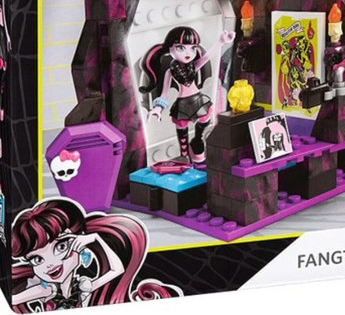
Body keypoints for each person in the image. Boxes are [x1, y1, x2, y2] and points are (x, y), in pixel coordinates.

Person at [12, 198, 181, 311]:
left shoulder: (84, 285)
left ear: (78, 242)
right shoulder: (46, 289)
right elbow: (13, 299)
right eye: (37, 259)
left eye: (61, 246)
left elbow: (117, 270)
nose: (50, 263)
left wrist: (95, 239)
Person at [140, 26, 234, 165]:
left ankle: (197, 140)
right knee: (182, 130)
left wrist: (221, 41)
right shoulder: (170, 72)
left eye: (193, 48)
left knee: (205, 118)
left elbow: (208, 56)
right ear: (170, 49)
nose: (188, 53)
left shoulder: (193, 66)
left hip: (198, 99)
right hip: (183, 103)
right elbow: (164, 93)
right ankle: (184, 155)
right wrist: (158, 109)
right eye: (180, 48)